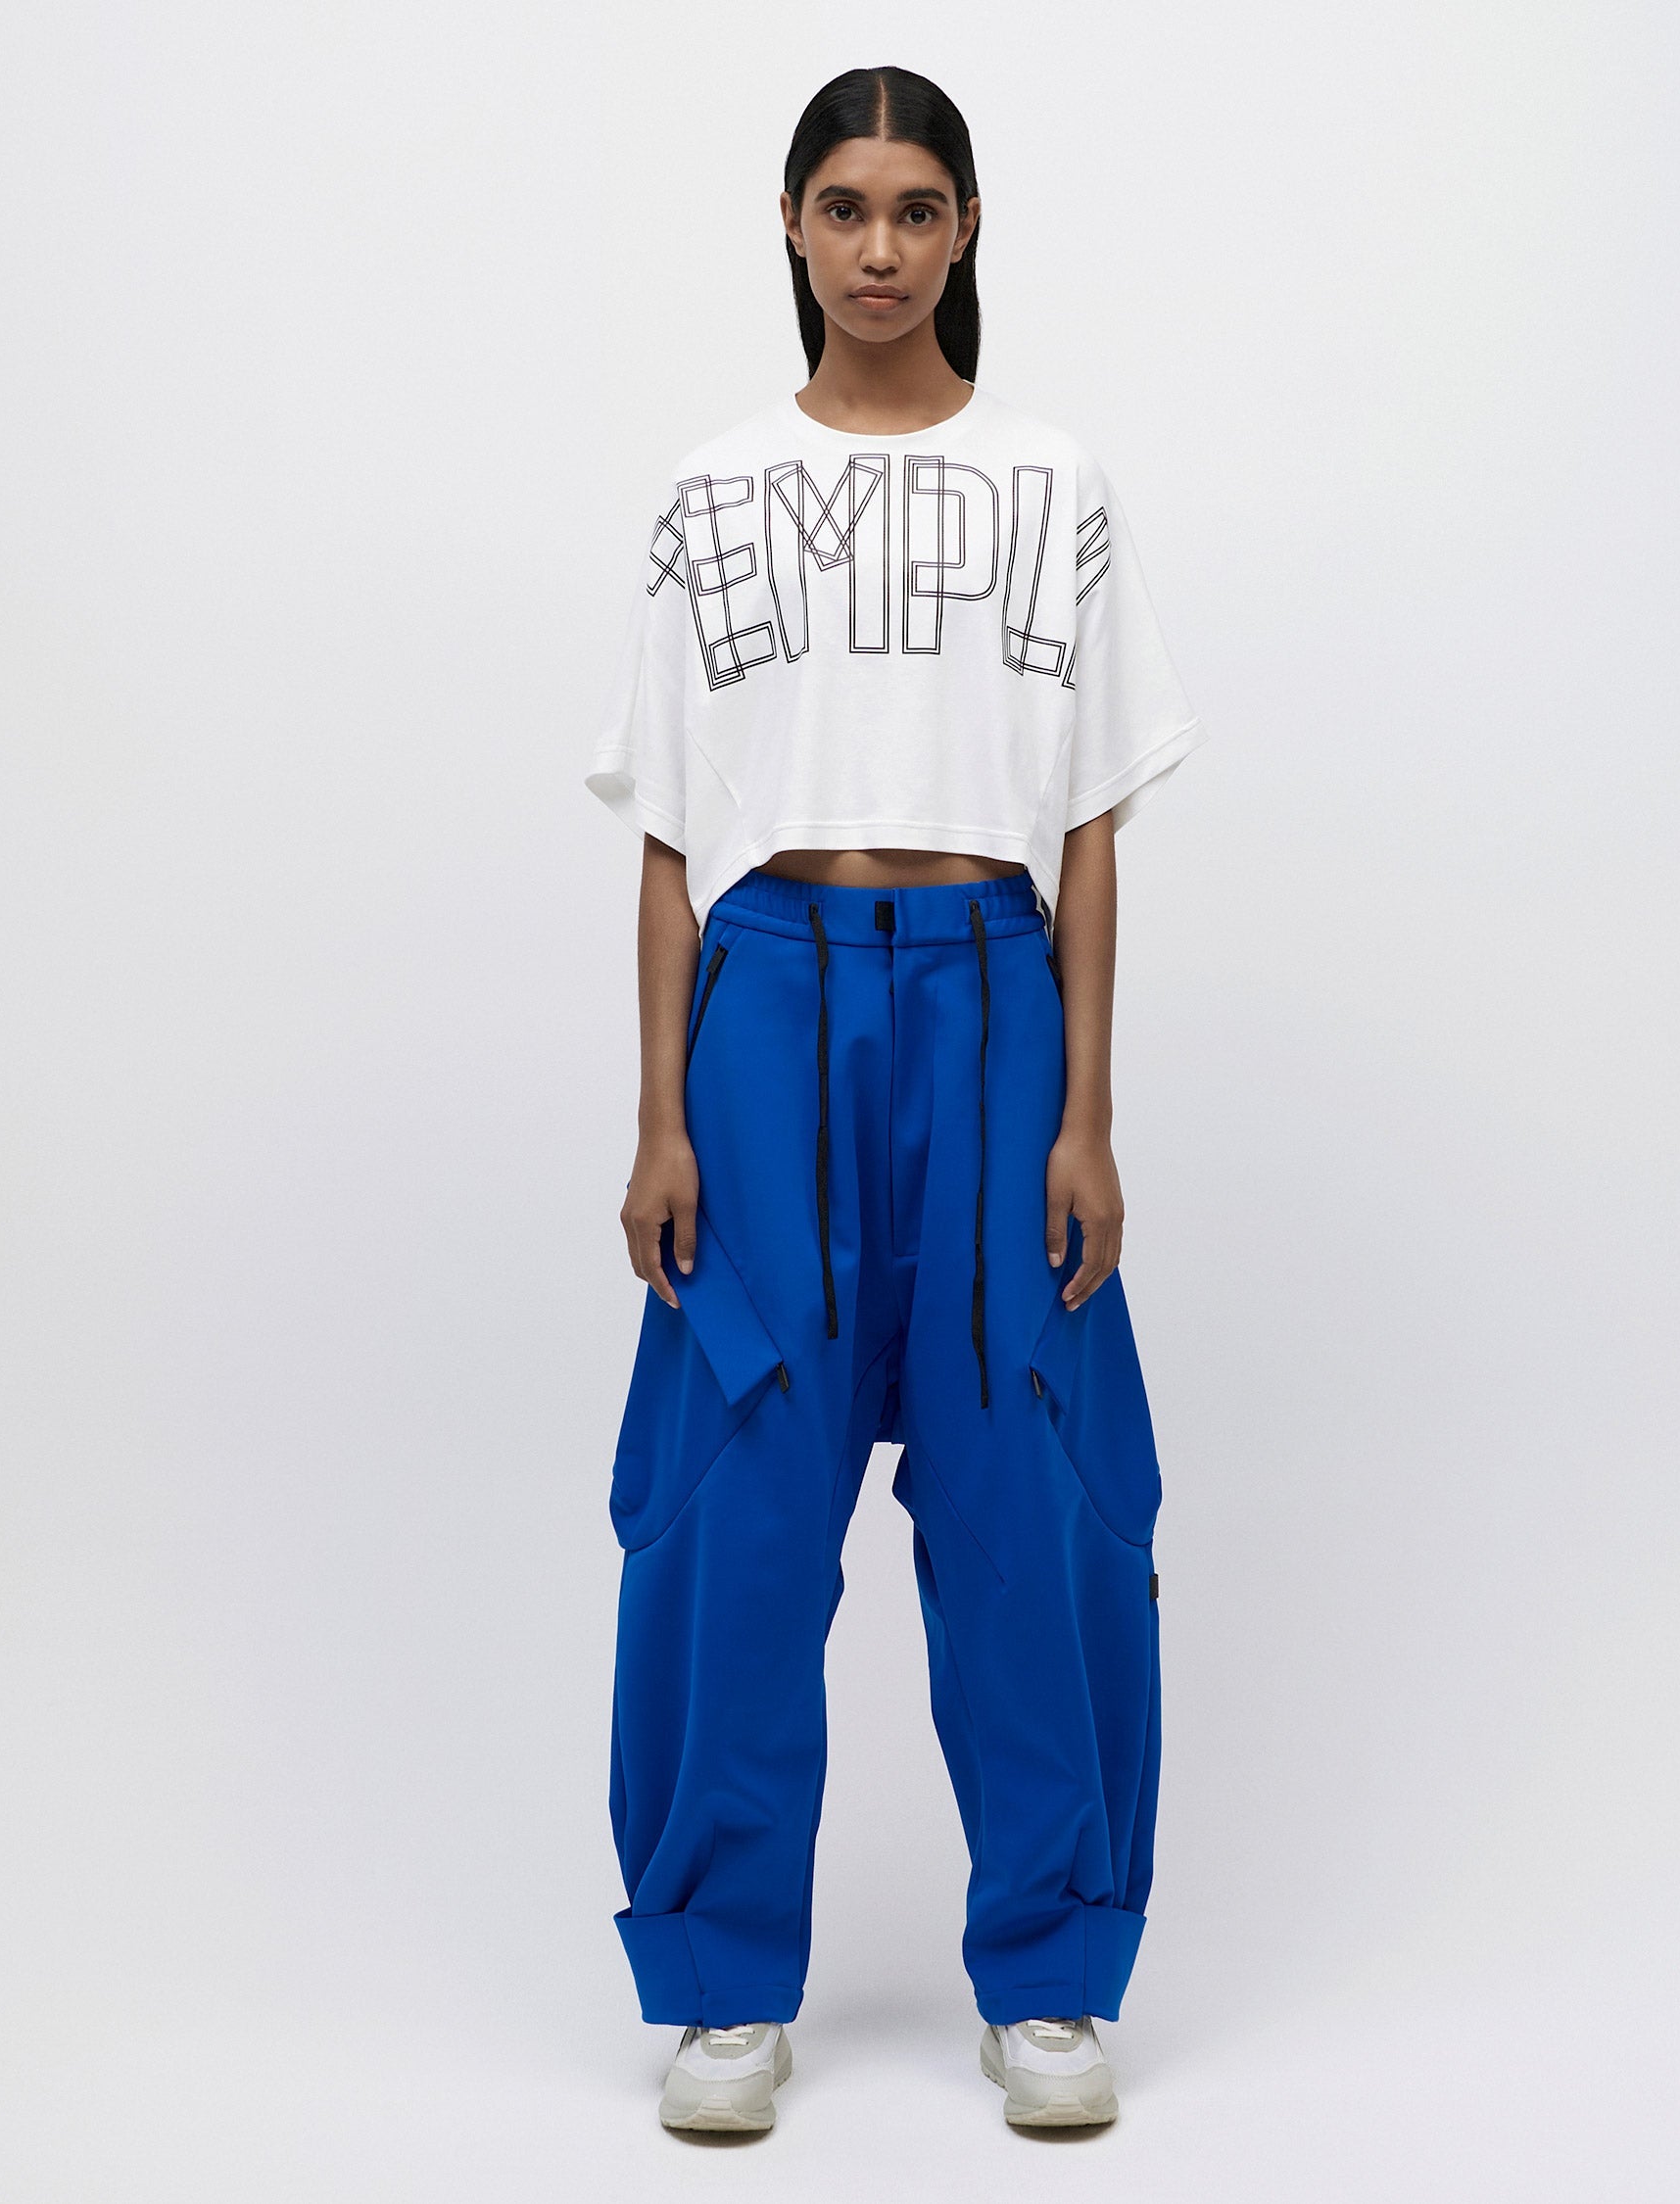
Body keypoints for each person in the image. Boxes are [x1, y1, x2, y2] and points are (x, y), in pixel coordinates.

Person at [585, 64, 1202, 2134]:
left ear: (965, 231)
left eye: (917, 208)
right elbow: (668, 843)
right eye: (843, 207)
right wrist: (661, 1118)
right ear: (788, 224)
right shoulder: (712, 493)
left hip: (993, 995)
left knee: (1032, 1483)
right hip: (766, 998)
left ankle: (1051, 1970)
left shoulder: (1051, 483)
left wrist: (1086, 1115)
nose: (878, 247)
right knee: (737, 1488)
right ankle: (719, 1980)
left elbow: (1091, 829)